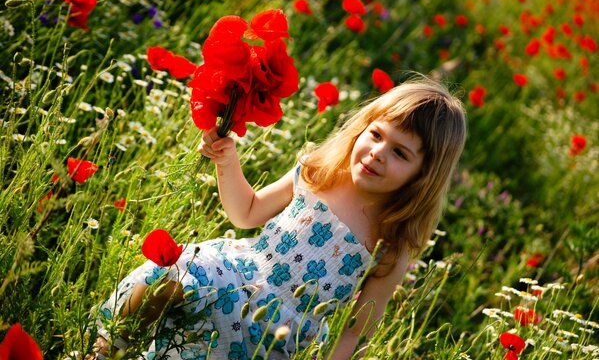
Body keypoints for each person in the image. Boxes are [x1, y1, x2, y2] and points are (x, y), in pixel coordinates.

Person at [86, 78, 466, 360]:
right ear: (362, 127)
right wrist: (226, 160)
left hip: (278, 337)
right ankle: (105, 351)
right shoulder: (317, 173)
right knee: (177, 271)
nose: (378, 153)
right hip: (235, 278)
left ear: (423, 174)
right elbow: (246, 211)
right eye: (376, 134)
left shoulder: (390, 244)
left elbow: (355, 331)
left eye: (400, 153)